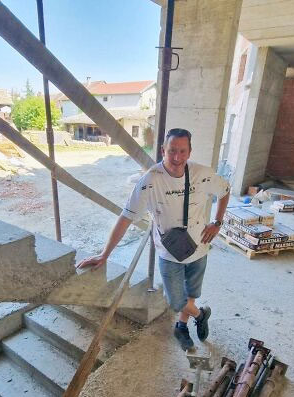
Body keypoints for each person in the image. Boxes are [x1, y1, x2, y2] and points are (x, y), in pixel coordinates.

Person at [77, 128, 230, 350]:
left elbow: (225, 191)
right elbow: (126, 217)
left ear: (189, 152)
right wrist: (104, 254)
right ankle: (200, 315)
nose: (177, 157)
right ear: (162, 150)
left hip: (200, 247)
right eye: (172, 151)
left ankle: (182, 325)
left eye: (182, 151)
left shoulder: (202, 174)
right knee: (175, 300)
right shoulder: (150, 181)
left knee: (191, 293)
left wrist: (217, 222)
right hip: (169, 252)